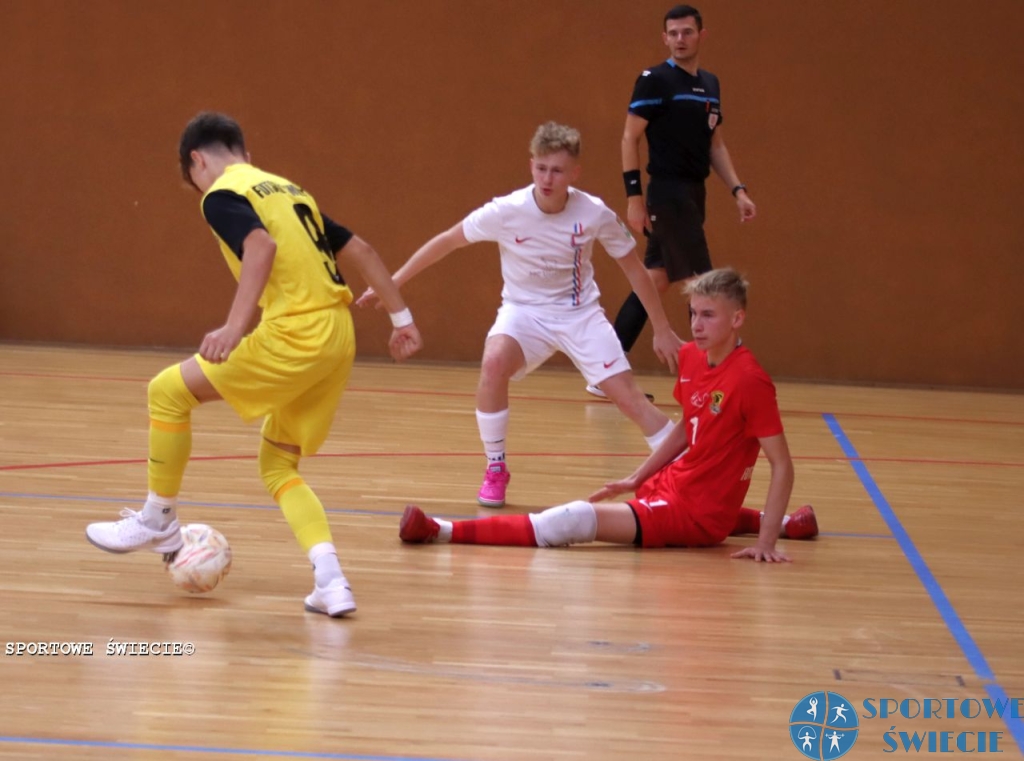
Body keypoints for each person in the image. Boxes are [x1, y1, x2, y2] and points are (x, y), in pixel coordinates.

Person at [85, 112, 423, 617]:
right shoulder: (291, 191)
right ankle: (331, 582)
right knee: (279, 464)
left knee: (166, 392)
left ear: (197, 160)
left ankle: (159, 517)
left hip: (295, 333)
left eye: (192, 175)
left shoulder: (222, 193)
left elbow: (259, 246)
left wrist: (234, 326)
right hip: (337, 336)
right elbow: (364, 250)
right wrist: (402, 318)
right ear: (243, 147)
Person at [357, 122, 682, 509]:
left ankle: (684, 470)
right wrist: (391, 283)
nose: (548, 178)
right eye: (541, 168)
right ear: (531, 166)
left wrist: (662, 329)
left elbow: (633, 269)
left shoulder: (593, 213)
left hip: (580, 315)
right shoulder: (506, 211)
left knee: (629, 400)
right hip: (523, 313)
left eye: (557, 170)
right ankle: (496, 467)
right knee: (493, 362)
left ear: (574, 174)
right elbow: (447, 241)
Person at [399, 268, 818, 561]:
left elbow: (782, 465)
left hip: (695, 515)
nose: (696, 324)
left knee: (575, 520)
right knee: (624, 502)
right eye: (693, 313)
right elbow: (687, 432)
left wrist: (765, 544)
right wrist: (637, 476)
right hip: (674, 484)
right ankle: (788, 523)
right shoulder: (692, 358)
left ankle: (440, 529)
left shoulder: (750, 381)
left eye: (709, 315)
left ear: (737, 318)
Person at [589, 4, 757, 401]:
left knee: (655, 281)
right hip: (667, 192)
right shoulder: (654, 80)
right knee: (705, 283)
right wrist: (634, 198)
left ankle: (603, 371)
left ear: (701, 35)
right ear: (665, 38)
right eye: (673, 33)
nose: (680, 39)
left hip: (693, 194)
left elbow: (715, 144)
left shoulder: (710, 84)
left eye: (687, 32)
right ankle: (712, 374)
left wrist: (738, 189)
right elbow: (630, 138)